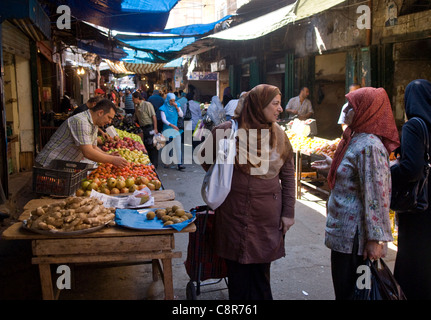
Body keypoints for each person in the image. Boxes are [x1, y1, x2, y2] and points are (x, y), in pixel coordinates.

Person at [200, 84, 296, 300]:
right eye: (275, 104)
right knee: (238, 278)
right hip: (233, 215)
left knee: (261, 277)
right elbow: (205, 159)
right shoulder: (226, 131)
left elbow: (288, 176)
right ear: (258, 105)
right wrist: (225, 172)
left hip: (266, 219)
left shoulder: (279, 136)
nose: (280, 109)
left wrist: (288, 212)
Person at [311, 87, 400, 300]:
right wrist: (333, 166)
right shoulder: (356, 138)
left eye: (352, 107)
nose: (347, 111)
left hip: (357, 241)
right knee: (346, 291)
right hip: (344, 235)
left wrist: (376, 240)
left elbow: (377, 195)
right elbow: (356, 177)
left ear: (366, 110)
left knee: (357, 292)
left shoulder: (369, 145)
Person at [391, 79, 431, 299]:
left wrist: (387, 173)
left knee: (413, 262)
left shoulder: (415, 125)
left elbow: (412, 169)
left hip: (420, 205)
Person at [35, 99, 129, 169]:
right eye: (109, 118)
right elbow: (88, 152)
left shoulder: (93, 124)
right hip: (48, 165)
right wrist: (112, 160)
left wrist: (109, 155)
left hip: (61, 165)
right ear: (100, 113)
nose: (109, 121)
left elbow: (93, 147)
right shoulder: (81, 121)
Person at [133, 91, 159, 168]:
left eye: (133, 99)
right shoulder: (137, 106)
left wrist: (155, 128)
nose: (132, 100)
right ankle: (150, 162)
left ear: (137, 98)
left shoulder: (147, 104)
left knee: (153, 146)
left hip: (150, 127)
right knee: (147, 146)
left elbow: (153, 116)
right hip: (143, 128)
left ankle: (155, 164)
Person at [160, 92, 185, 170]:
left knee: (178, 147)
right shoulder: (163, 108)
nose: (172, 102)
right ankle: (167, 161)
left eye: (174, 100)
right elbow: (163, 120)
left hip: (177, 130)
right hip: (168, 129)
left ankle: (179, 164)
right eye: (171, 100)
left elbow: (181, 115)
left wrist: (177, 107)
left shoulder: (177, 105)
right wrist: (172, 125)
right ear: (168, 100)